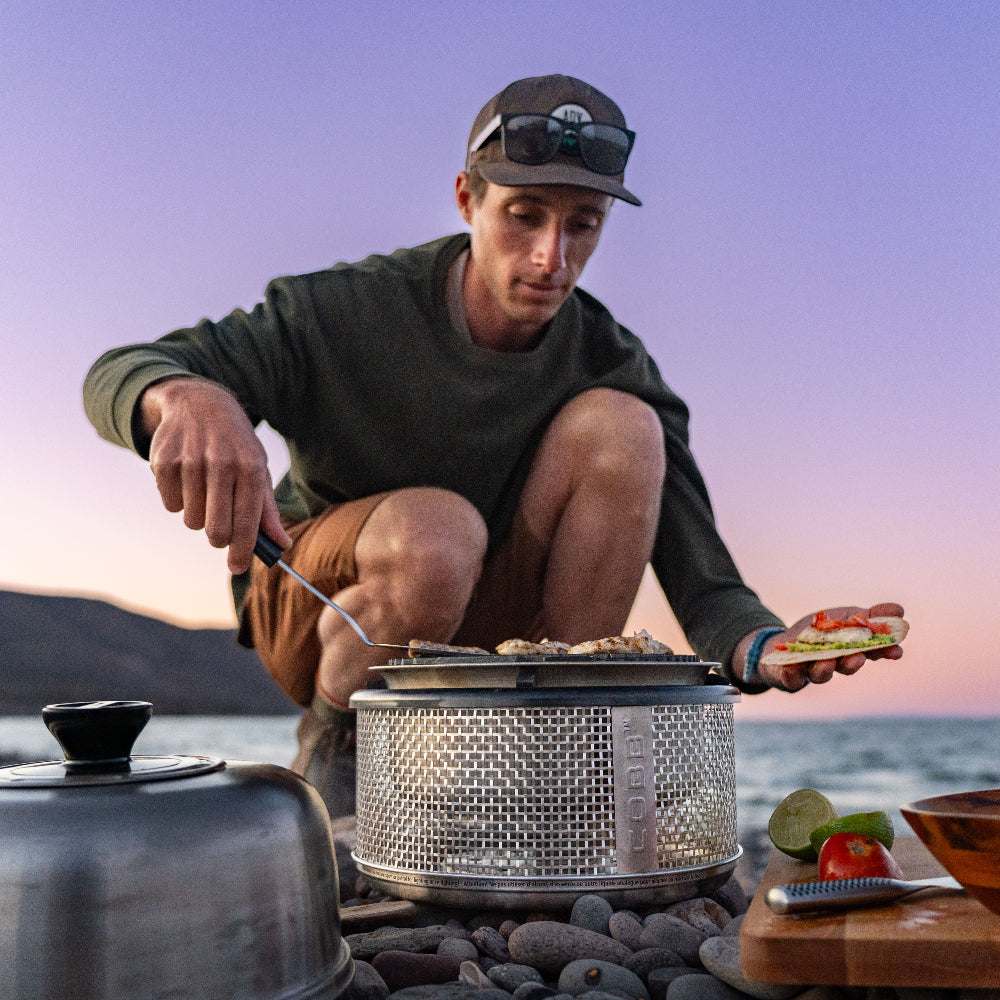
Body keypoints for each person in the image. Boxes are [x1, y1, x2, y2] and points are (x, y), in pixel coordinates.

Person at [83, 75, 904, 818]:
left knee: (624, 428)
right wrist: (183, 397)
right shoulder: (341, 309)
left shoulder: (610, 356)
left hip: (496, 635)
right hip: (324, 609)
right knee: (439, 532)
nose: (553, 257)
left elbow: (706, 580)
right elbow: (120, 370)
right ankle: (335, 757)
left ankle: (554, 761)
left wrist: (768, 648)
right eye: (524, 216)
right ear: (466, 199)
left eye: (583, 225)